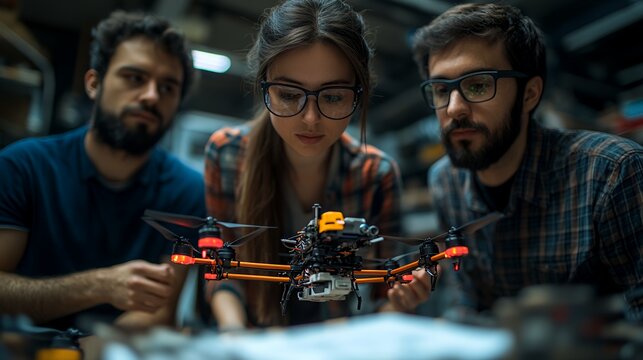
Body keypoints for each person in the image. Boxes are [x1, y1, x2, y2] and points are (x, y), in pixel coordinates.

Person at [204, 0, 430, 329]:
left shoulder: (377, 174)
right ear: (263, 85)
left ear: (358, 95)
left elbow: (386, 292)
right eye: (288, 94)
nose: (310, 118)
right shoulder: (225, 154)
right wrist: (234, 334)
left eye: (333, 97)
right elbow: (221, 271)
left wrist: (402, 302)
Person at [412, 3, 643, 321]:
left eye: (477, 85)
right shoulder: (445, 181)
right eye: (440, 90)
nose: (453, 109)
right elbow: (468, 304)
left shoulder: (612, 172)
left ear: (530, 94)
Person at [0, 11, 205, 332]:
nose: (151, 96)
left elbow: (157, 311)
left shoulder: (188, 191)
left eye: (167, 87)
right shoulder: (23, 167)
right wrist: (98, 285)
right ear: (94, 83)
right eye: (135, 78)